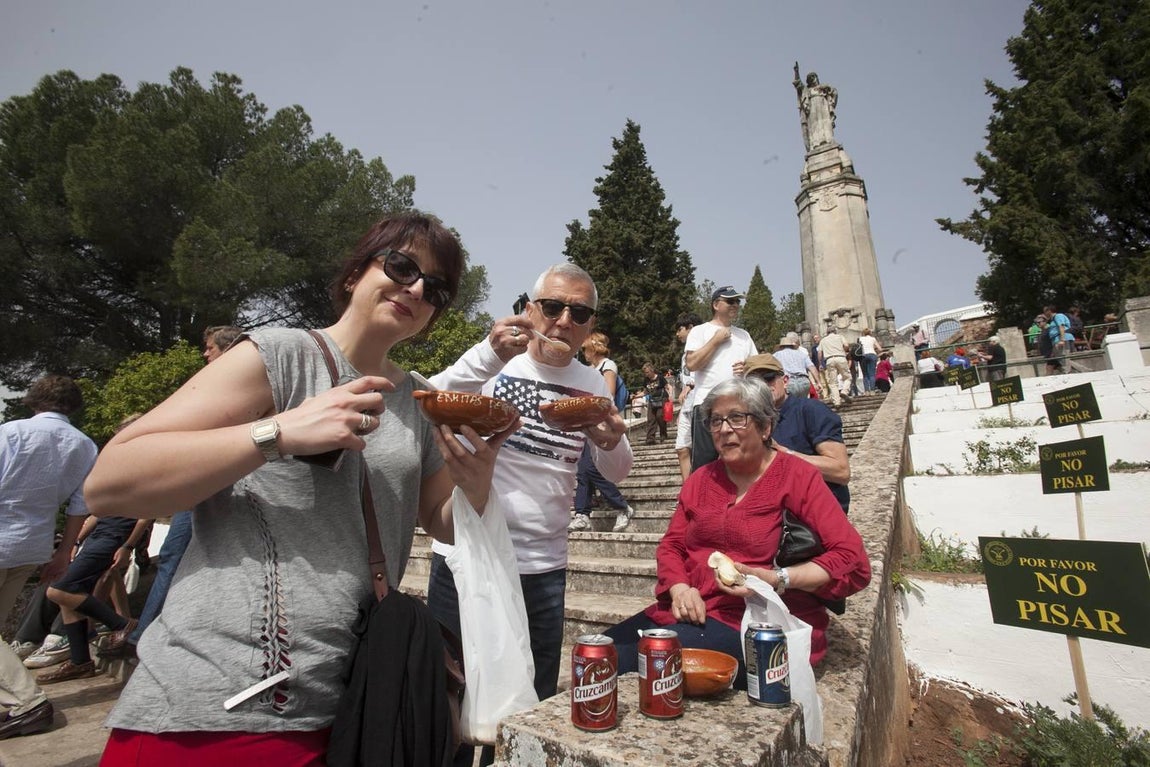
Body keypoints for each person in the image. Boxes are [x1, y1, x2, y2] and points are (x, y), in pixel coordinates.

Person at [83, 212, 515, 764]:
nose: (415, 288)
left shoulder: (422, 399)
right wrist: (277, 433)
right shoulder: (279, 355)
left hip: (357, 698)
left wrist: (477, 483)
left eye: (436, 288)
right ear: (357, 272)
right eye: (403, 266)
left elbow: (438, 516)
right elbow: (110, 481)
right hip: (221, 702)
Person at [426, 263, 633, 767]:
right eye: (554, 307)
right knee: (447, 694)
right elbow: (428, 397)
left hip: (543, 565)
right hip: (466, 553)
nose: (564, 320)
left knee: (530, 702)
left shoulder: (591, 385)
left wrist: (609, 441)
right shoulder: (495, 365)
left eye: (579, 312)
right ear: (530, 309)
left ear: (589, 325)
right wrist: (486, 351)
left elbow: (619, 467)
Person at [603, 377, 870, 684]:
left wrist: (777, 579)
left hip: (761, 624)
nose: (724, 429)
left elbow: (853, 561)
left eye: (737, 418)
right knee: (604, 651)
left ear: (766, 427)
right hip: (694, 611)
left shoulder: (798, 477)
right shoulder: (701, 480)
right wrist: (679, 587)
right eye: (716, 420)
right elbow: (672, 545)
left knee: (643, 660)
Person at [0, 375, 96, 739]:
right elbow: (80, 505)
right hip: (33, 545)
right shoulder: (84, 444)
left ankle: (29, 702)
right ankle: (17, 700)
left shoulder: (12, 432)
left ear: (33, 399)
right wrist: (63, 553)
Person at [38, 498, 152, 684]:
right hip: (97, 536)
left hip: (114, 537)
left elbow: (146, 516)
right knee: (66, 594)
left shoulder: (139, 476)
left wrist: (127, 546)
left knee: (57, 591)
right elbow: (97, 513)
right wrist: (75, 543)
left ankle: (121, 624)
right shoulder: (113, 478)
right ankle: (80, 662)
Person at [744, 354, 851, 514]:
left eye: (769, 378)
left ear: (785, 380)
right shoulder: (746, 421)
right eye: (755, 383)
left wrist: (783, 454)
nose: (764, 386)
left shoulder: (812, 411)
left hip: (814, 515)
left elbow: (840, 471)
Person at [684, 286, 758, 471]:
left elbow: (757, 369)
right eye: (730, 301)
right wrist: (716, 341)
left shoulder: (744, 335)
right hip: (706, 404)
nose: (735, 305)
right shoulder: (700, 331)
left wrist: (748, 368)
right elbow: (692, 364)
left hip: (739, 406)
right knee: (704, 465)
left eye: (737, 302)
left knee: (739, 459)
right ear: (716, 304)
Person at [568, 331, 634, 534]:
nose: (584, 353)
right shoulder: (589, 369)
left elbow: (608, 397)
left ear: (593, 348)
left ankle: (622, 506)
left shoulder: (608, 365)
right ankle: (582, 514)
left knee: (591, 469)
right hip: (588, 423)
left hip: (603, 424)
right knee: (583, 471)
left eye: (586, 349)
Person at [673, 314, 701, 481]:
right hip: (687, 406)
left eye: (680, 329)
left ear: (690, 327)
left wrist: (690, 386)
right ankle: (687, 492)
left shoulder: (706, 348)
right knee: (682, 448)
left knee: (701, 451)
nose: (678, 334)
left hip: (701, 404)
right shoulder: (685, 355)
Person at [773, 332, 819, 399]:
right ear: (792, 345)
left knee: (791, 405)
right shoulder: (801, 354)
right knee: (803, 403)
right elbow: (812, 367)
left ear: (781, 346)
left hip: (789, 381)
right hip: (804, 381)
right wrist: (818, 382)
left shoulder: (776, 355)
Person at [640, 362, 672, 444]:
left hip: (662, 399)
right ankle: (650, 439)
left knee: (660, 416)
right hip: (652, 400)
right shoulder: (646, 380)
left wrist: (670, 396)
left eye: (647, 372)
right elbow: (645, 392)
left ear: (652, 371)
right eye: (645, 373)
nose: (646, 374)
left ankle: (663, 435)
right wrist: (635, 396)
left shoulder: (660, 378)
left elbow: (668, 387)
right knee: (651, 419)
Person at [817, 329, 851, 407]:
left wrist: (820, 363)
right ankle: (844, 392)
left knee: (833, 382)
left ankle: (837, 402)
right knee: (847, 377)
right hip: (841, 357)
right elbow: (846, 346)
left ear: (827, 332)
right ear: (835, 332)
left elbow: (819, 353)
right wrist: (845, 351)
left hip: (829, 360)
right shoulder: (840, 337)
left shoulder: (823, 340)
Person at [857, 328, 883, 393]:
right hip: (872, 355)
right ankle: (872, 390)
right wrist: (873, 348)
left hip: (863, 356)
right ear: (870, 333)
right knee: (872, 374)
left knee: (865, 375)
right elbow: (880, 349)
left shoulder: (860, 338)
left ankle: (866, 391)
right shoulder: (873, 339)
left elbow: (858, 347)